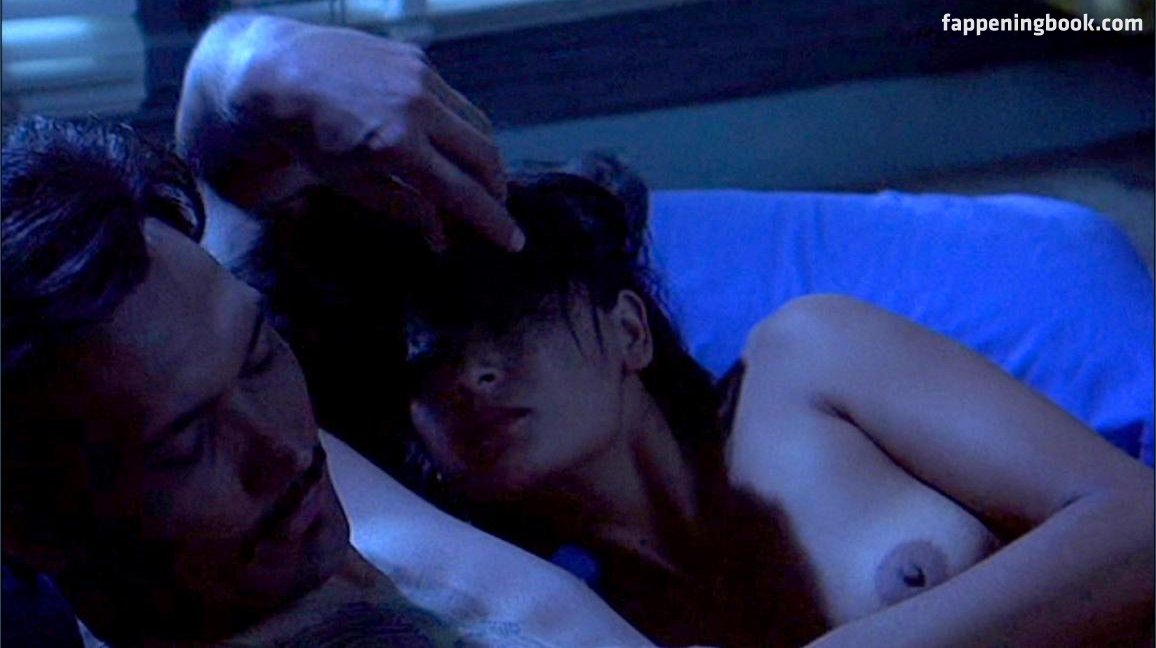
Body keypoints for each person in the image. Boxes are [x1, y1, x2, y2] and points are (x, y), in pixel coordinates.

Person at [396, 169, 1156, 647]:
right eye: (429, 362)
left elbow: (1138, 519)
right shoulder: (558, 620)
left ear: (629, 331)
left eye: (508, 321)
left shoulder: (807, 362)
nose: (473, 377)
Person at [0, 114, 653, 645]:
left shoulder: (275, 503)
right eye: (187, 444)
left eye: (259, 355)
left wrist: (255, 51)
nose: (283, 445)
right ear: (30, 527)